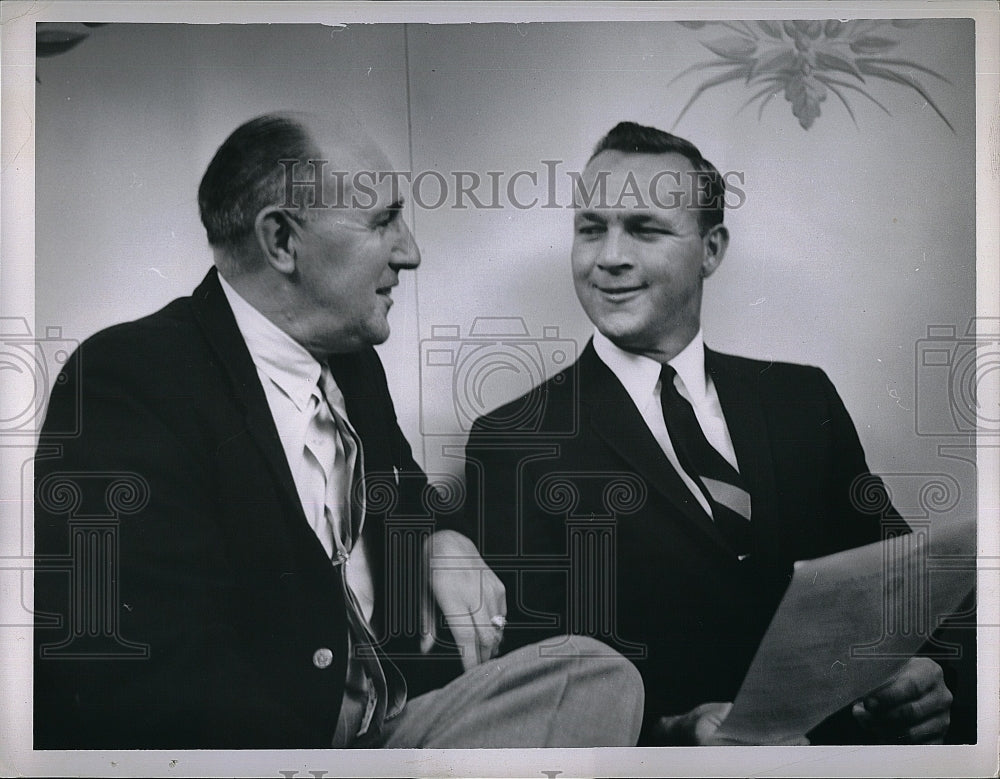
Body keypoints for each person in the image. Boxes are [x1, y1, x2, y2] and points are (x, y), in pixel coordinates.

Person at [33, 112, 644, 749]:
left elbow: (402, 495)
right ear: (282, 242)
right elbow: (131, 668)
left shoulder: (353, 364)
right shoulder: (131, 377)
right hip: (255, 758)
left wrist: (440, 538)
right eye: (383, 221)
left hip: (381, 737)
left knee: (593, 670)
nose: (410, 251)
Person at [463, 121, 956, 746]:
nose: (608, 256)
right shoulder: (514, 440)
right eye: (591, 228)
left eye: (644, 228)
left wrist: (933, 678)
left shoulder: (804, 400)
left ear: (712, 249)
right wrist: (674, 733)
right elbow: (538, 690)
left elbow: (904, 585)